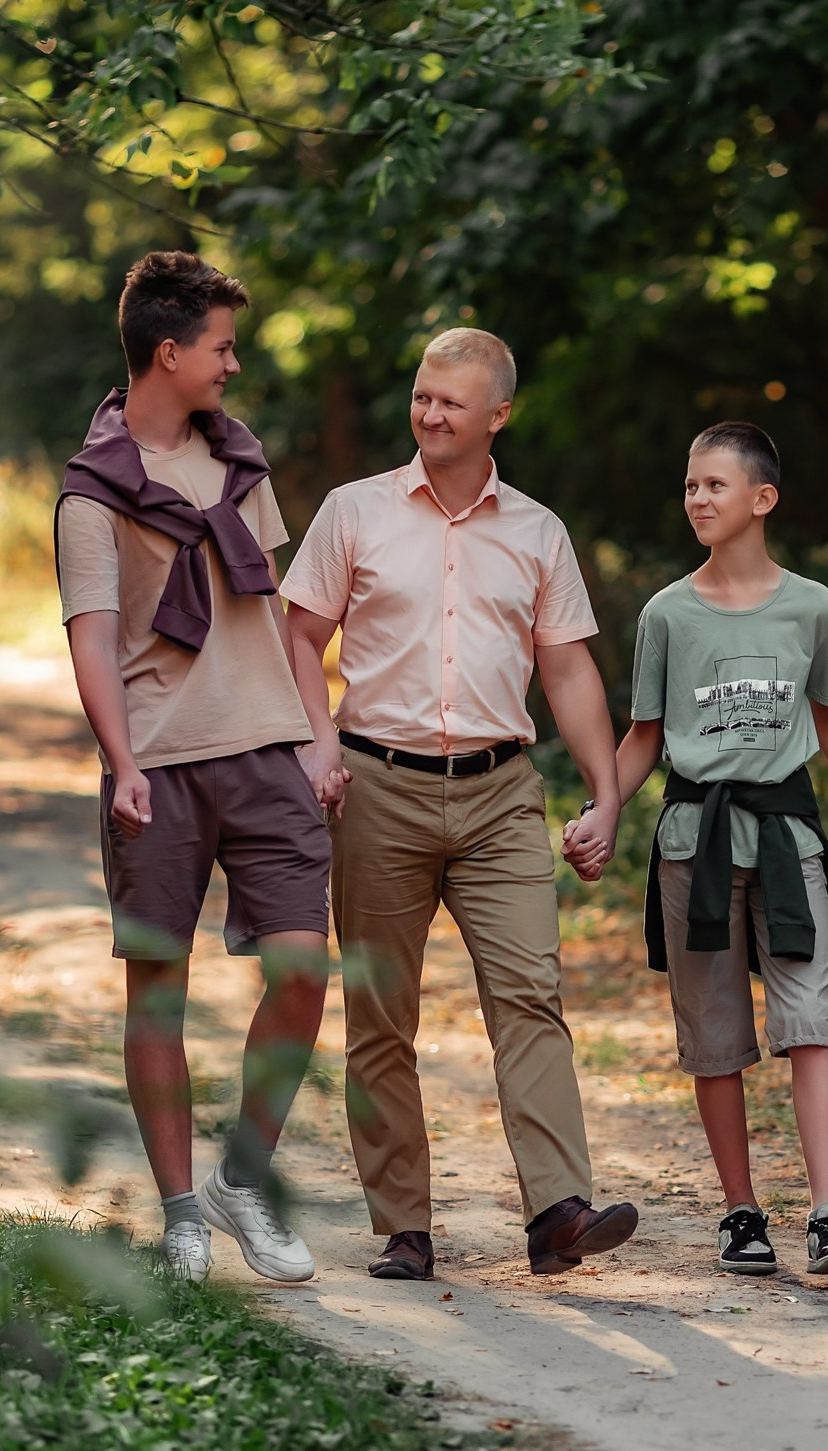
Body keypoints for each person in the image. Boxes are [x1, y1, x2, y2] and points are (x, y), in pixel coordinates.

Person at [280, 327, 639, 1282]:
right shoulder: (354, 512)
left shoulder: (536, 531)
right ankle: (404, 1224)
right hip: (375, 787)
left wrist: (605, 796)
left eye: (451, 401)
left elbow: (566, 668)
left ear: (498, 416)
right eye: (421, 395)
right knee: (380, 1015)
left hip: (501, 797)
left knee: (531, 996)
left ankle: (558, 1211)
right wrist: (317, 743)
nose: (430, 413)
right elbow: (298, 635)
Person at [57, 251, 346, 1285]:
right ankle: (181, 1211)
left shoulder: (240, 465)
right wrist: (119, 760)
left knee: (303, 968)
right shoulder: (91, 496)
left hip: (265, 748)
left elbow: (271, 611)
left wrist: (318, 732)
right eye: (220, 346)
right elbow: (92, 641)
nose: (232, 363)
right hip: (161, 765)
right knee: (157, 996)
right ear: (167, 351)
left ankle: (242, 1176)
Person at [587, 422, 828, 1276]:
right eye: (689, 486)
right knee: (715, 1036)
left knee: (811, 1024)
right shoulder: (665, 613)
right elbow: (644, 734)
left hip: (789, 840)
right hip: (696, 844)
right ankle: (741, 1211)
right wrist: (603, 811)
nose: (696, 499)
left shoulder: (812, 606)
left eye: (714, 486)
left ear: (762, 498)